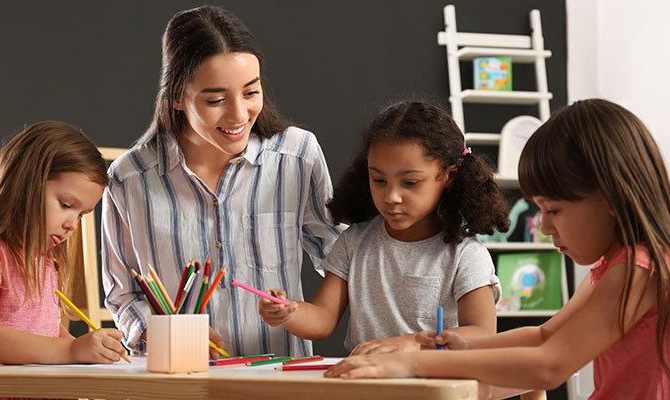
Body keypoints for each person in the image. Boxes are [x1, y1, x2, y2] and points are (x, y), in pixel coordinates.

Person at [324, 99, 670, 399]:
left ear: (609, 198)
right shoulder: (616, 266)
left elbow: (550, 365)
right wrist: (463, 345)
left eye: (553, 211)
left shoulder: (640, 269)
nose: (545, 227)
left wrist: (411, 361)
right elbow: (543, 334)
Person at [101, 5, 342, 358]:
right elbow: (123, 295)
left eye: (251, 92)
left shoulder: (297, 155)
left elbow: (340, 255)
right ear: (177, 97)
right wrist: (165, 335)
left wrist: (305, 314)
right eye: (216, 100)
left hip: (278, 380)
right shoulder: (128, 178)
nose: (239, 115)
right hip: (177, 384)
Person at [259, 100, 509, 354]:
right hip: (367, 387)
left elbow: (481, 332)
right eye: (379, 179)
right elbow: (323, 318)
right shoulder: (354, 241)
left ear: (449, 176)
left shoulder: (465, 254)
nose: (391, 196)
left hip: (433, 388)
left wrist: (409, 343)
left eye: (410, 182)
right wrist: (288, 311)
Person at [0, 121, 126, 368]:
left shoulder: (47, 261)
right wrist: (71, 350)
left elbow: (40, 330)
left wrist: (87, 347)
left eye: (82, 214)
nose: (72, 225)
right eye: (66, 205)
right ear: (25, 184)